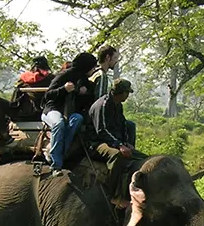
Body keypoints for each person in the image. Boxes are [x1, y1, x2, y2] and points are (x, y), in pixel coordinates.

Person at [0, 56, 53, 164]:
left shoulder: (24, 78)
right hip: (42, 114)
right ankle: (3, 135)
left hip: (21, 113)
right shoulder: (52, 79)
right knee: (0, 118)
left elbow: (16, 96)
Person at [88, 78, 147, 207]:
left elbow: (123, 125)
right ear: (121, 92)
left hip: (113, 141)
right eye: (127, 93)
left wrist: (126, 143)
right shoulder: (102, 105)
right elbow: (101, 131)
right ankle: (113, 195)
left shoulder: (117, 105)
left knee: (143, 157)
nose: (128, 96)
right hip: (97, 143)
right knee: (116, 156)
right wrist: (119, 145)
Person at [42, 52, 98, 176]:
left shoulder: (83, 79)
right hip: (52, 109)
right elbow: (48, 95)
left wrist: (85, 93)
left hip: (71, 113)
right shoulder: (64, 75)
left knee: (77, 118)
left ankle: (62, 153)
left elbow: (86, 101)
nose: (93, 70)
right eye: (92, 67)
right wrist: (63, 89)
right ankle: (56, 164)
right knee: (59, 123)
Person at [87, 45, 137, 147]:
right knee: (130, 126)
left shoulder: (95, 72)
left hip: (94, 113)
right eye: (115, 58)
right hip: (96, 116)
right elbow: (99, 100)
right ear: (107, 58)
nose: (116, 61)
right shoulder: (101, 76)